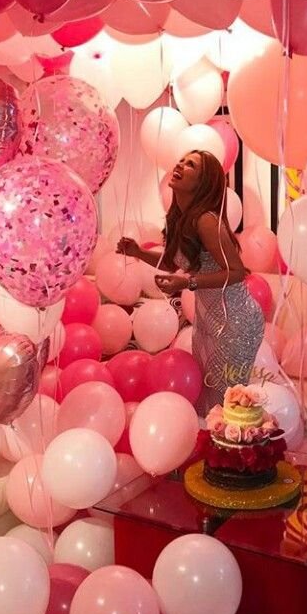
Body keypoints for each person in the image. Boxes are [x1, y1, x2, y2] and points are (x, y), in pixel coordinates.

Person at [117, 150, 265, 416]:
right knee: (207, 396)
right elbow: (173, 262)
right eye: (182, 161)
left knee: (227, 401)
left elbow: (237, 272)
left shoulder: (207, 221)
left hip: (236, 322)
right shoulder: (181, 218)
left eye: (191, 165)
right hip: (209, 320)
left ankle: (231, 444)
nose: (180, 165)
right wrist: (138, 252)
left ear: (203, 182)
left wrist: (187, 283)